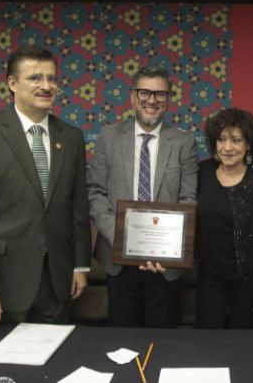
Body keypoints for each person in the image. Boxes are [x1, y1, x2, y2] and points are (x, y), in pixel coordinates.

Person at [0, 45, 91, 326]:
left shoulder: (72, 137)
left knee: (54, 363)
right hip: (3, 284)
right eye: (35, 78)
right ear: (12, 84)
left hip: (57, 281)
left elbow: (77, 207)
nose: (46, 86)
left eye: (51, 78)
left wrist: (80, 264)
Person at [88, 64, 198, 328]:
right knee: (121, 342)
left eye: (160, 94)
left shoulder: (184, 142)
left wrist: (166, 247)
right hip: (118, 261)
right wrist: (119, 235)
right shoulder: (109, 136)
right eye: (144, 93)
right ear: (132, 96)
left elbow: (188, 200)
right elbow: (95, 192)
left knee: (162, 342)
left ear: (169, 100)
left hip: (165, 262)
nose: (152, 100)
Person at [196, 108, 253, 328]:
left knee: (244, 348)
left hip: (249, 282)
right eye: (221, 139)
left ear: (249, 144)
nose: (227, 147)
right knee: (207, 345)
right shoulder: (201, 172)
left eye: (236, 140)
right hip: (209, 280)